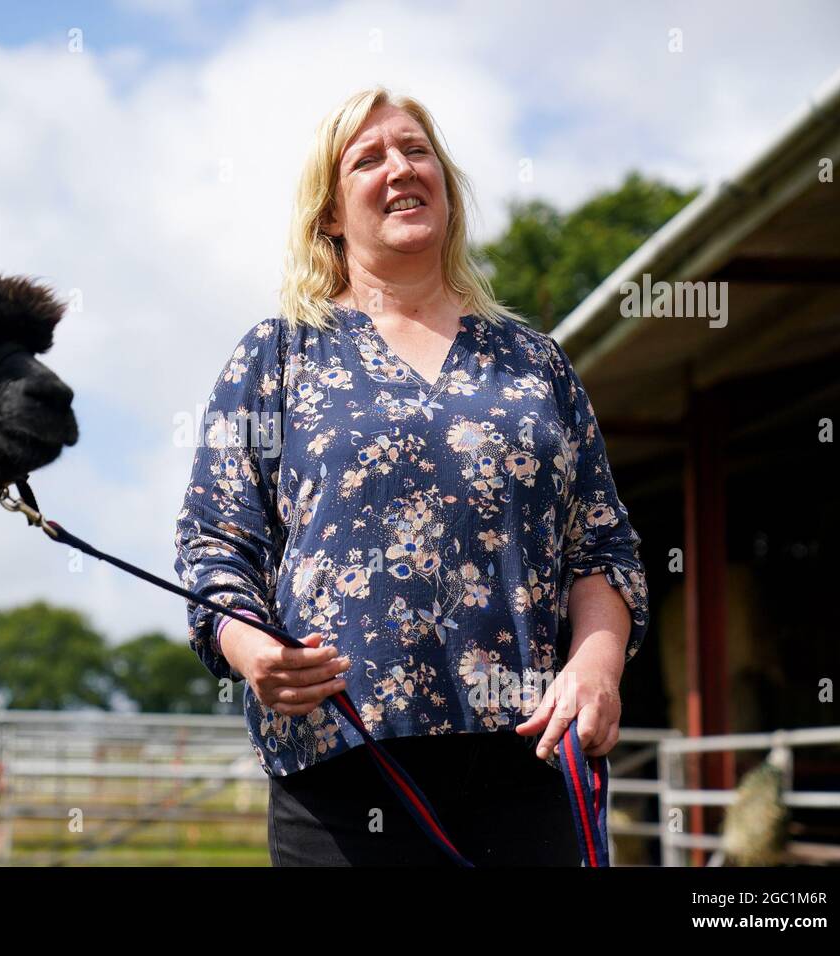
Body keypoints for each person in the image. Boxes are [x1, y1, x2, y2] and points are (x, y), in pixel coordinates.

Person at [172, 87, 650, 866]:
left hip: (526, 760)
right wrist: (248, 644)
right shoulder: (277, 356)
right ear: (329, 213)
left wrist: (596, 668)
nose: (399, 167)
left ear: (446, 185)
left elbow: (601, 549)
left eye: (416, 150)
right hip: (343, 760)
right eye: (368, 159)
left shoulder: (536, 364)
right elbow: (217, 539)